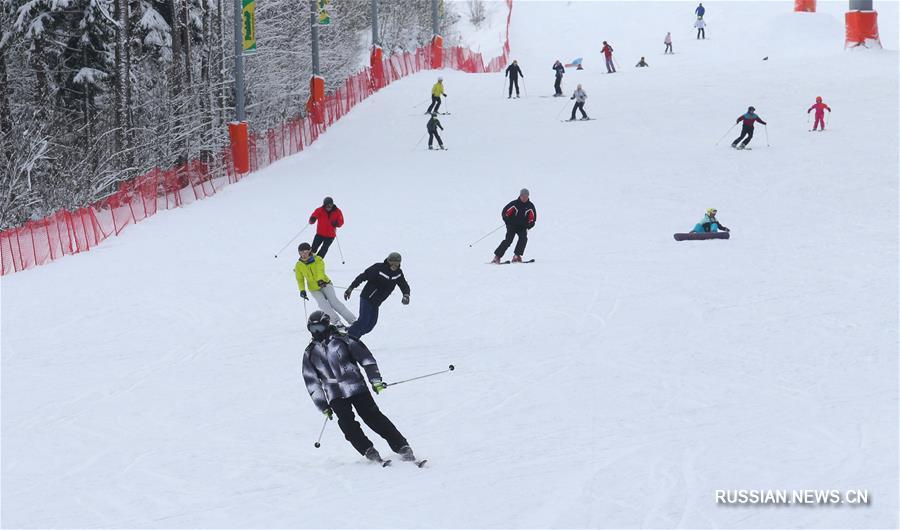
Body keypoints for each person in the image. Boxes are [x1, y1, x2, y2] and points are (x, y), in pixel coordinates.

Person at [302, 310, 417, 464]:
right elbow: (311, 381)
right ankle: (367, 449)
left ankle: (401, 446)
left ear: (327, 325)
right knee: (347, 424)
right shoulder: (310, 352)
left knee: (373, 418)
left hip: (356, 387)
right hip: (334, 394)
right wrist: (322, 405)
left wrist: (375, 379)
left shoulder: (344, 339)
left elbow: (366, 358)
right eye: (313, 329)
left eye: (319, 328)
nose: (316, 332)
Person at [344, 252, 410, 340]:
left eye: (396, 262)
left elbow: (403, 284)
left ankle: (353, 336)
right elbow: (363, 276)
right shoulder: (379, 268)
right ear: (388, 261)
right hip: (367, 298)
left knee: (370, 325)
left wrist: (406, 295)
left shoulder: (398, 273)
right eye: (392, 262)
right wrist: (351, 288)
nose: (394, 264)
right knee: (363, 321)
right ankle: (350, 337)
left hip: (376, 302)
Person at [295, 243, 357, 329]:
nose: (303, 254)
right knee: (323, 305)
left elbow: (320, 271)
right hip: (314, 289)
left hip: (325, 284)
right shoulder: (298, 265)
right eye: (301, 252)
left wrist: (320, 280)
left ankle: (352, 320)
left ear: (309, 251)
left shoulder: (318, 259)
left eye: (305, 252)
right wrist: (302, 290)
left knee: (334, 302)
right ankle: (336, 322)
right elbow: (300, 279)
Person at [491, 189, 537, 264]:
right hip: (512, 226)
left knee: (523, 238)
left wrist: (529, 225)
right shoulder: (515, 204)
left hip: (522, 227)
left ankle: (517, 256)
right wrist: (507, 221)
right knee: (508, 240)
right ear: (520, 196)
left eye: (526, 196)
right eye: (522, 196)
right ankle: (497, 257)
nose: (524, 198)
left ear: (528, 196)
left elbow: (532, 218)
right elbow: (505, 212)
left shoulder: (530, 206)